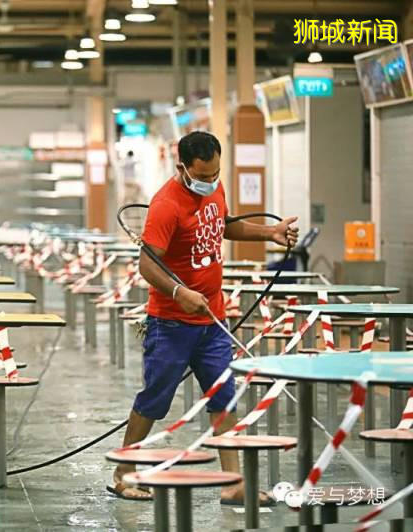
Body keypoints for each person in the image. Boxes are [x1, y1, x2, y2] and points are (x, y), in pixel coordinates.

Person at [109, 131, 299, 504]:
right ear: (182, 166)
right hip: (171, 323)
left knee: (223, 397)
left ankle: (233, 483)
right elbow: (147, 264)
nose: (210, 181)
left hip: (213, 320)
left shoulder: (214, 187)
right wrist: (179, 293)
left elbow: (224, 224)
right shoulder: (166, 205)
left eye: (215, 174)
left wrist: (270, 233)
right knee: (155, 399)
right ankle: (123, 473)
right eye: (202, 175)